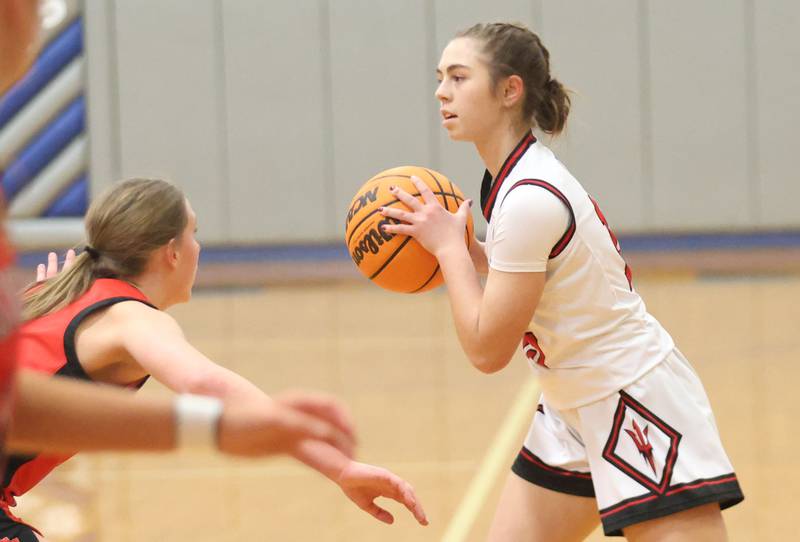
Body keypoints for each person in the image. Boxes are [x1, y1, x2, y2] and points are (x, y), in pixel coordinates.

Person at [380, 22, 743, 541]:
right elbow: (541, 273)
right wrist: (474, 254)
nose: (442, 91)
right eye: (441, 77)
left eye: (459, 77)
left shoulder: (528, 197)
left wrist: (447, 254)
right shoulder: (513, 180)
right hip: (572, 404)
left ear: (509, 90)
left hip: (631, 399)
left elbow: (487, 350)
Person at [0, 178, 427, 540]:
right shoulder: (131, 318)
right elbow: (207, 385)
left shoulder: (53, 298)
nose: (197, 247)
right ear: (172, 252)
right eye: (194, 233)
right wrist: (339, 466)